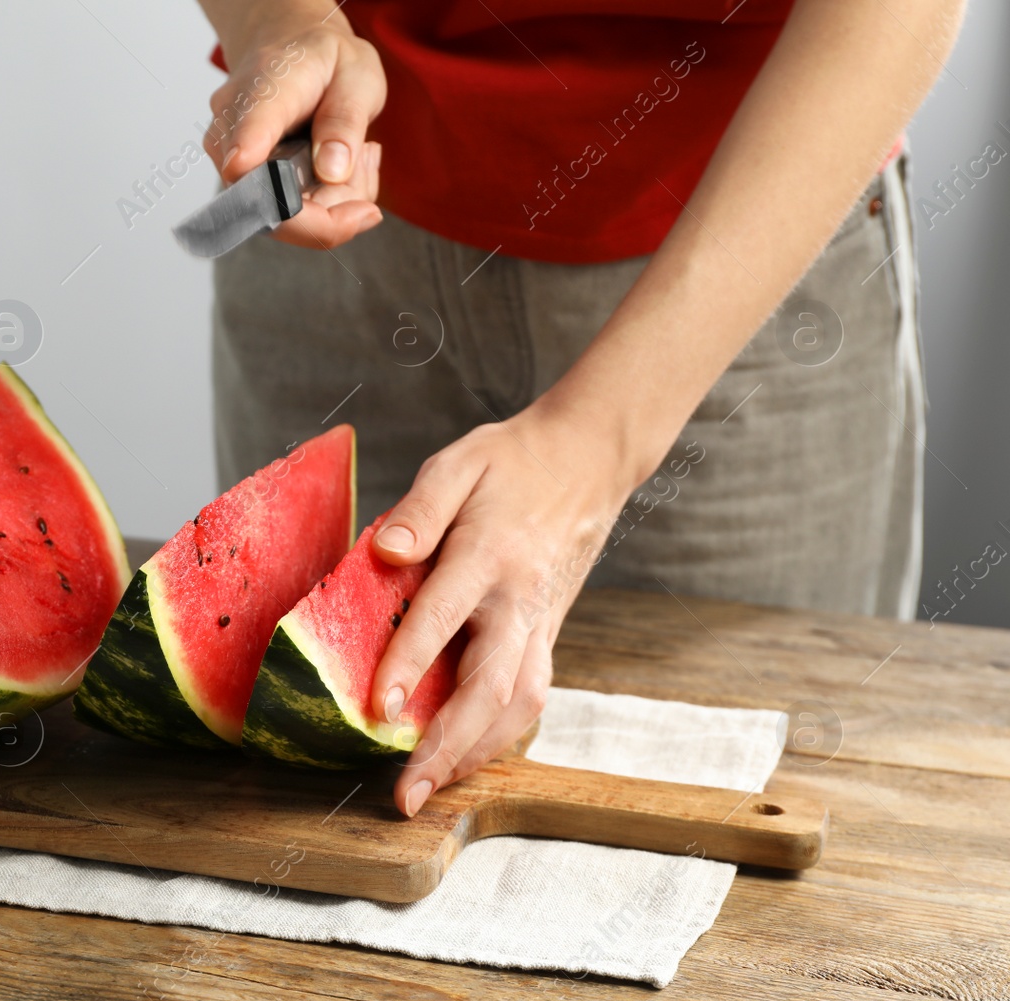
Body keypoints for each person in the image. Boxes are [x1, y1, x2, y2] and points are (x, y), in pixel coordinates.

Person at [195, 0, 963, 816]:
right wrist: (277, 22)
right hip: (336, 227)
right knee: (294, 814)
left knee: (757, 831)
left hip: (745, 251)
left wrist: (595, 444)